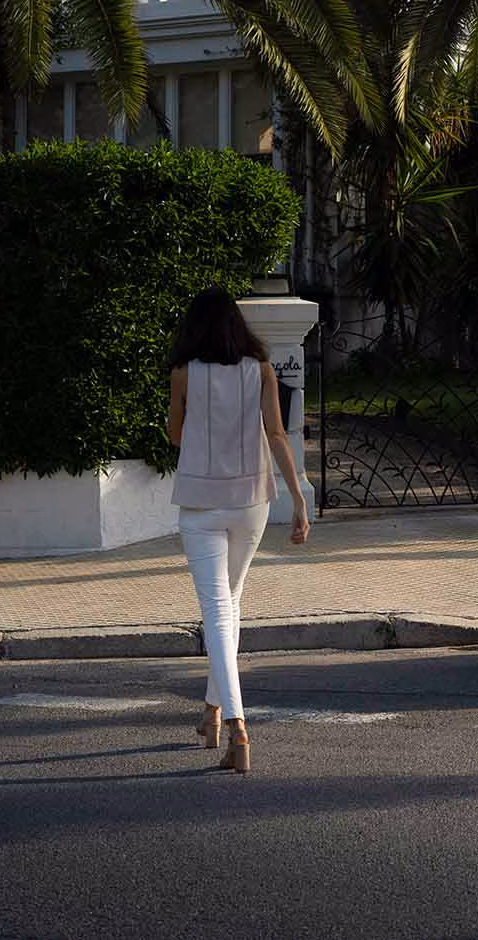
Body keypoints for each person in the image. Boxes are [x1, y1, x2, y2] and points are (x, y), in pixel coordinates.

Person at [166, 287, 310, 774]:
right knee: (229, 605)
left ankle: (237, 726)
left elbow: (175, 434)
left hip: (200, 502)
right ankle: (211, 714)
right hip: (251, 502)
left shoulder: (184, 372)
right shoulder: (261, 369)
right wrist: (298, 501)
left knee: (216, 611)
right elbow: (277, 435)